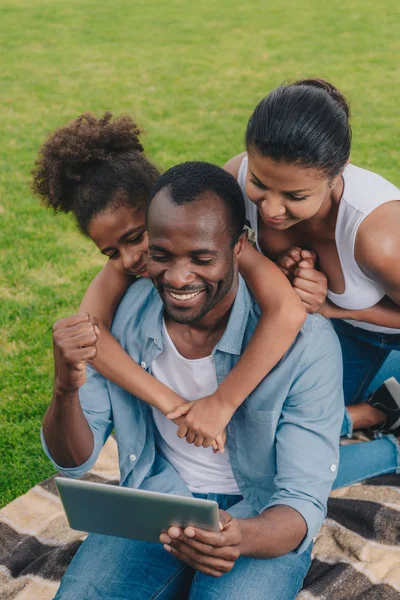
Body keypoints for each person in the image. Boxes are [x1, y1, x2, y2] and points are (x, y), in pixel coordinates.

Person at [42, 161, 344, 599]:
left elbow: (300, 501)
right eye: (161, 256)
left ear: (239, 245)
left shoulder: (306, 344)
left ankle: (383, 440)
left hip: (259, 512)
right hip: (156, 502)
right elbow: (73, 460)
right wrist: (65, 390)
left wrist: (241, 536)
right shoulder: (120, 317)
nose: (179, 277)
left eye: (201, 258)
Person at [32, 112, 305, 452]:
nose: (130, 259)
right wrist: (171, 404)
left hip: (267, 369)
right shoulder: (127, 265)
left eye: (135, 237)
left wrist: (223, 401)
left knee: (285, 424)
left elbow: (287, 311)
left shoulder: (218, 240)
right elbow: (90, 336)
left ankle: (357, 418)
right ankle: (360, 415)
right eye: (111, 252)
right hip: (189, 398)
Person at [224, 78, 400, 486]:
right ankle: (372, 412)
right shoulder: (235, 177)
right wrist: (276, 273)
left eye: (294, 196)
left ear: (337, 174)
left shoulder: (379, 237)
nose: (269, 209)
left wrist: (333, 307)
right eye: (261, 184)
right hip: (341, 335)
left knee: (291, 464)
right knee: (264, 437)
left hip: (375, 327)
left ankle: (391, 448)